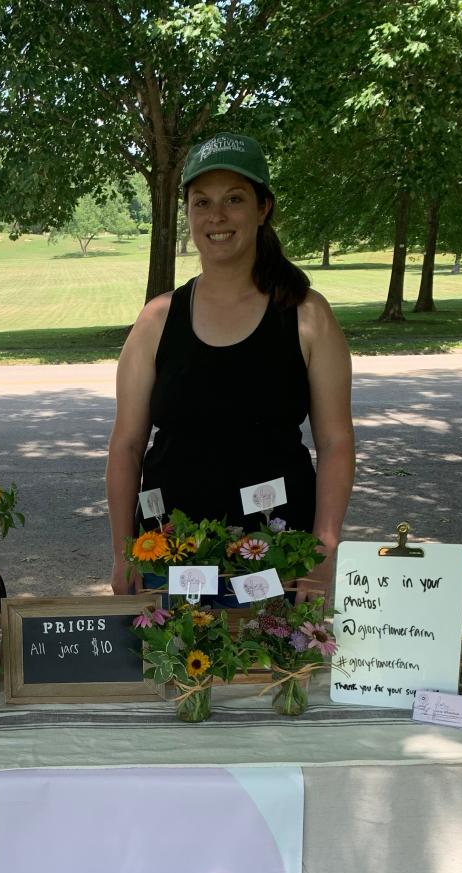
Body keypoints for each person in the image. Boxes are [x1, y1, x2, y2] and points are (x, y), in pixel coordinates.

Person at [107, 132, 355, 603]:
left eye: (234, 199)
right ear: (188, 214)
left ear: (263, 208)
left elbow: (336, 441)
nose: (216, 216)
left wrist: (323, 547)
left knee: (271, 678)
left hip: (278, 558)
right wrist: (123, 552)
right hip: (167, 558)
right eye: (202, 202)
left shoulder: (306, 315)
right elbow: (127, 444)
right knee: (175, 675)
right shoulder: (157, 320)